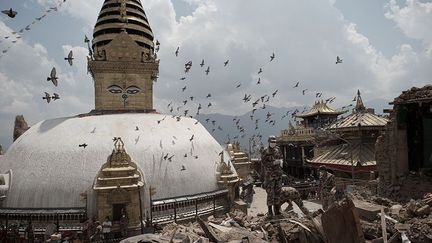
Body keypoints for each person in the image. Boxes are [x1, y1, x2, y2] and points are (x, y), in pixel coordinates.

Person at [261, 135, 283, 218]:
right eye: (272, 142)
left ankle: (277, 210)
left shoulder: (278, 150)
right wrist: (273, 163)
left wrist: (280, 162)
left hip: (278, 175)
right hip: (270, 176)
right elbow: (263, 163)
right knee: (270, 193)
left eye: (274, 142)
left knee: (278, 192)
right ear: (269, 142)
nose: (273, 143)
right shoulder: (265, 151)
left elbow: (281, 157)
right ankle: (270, 211)